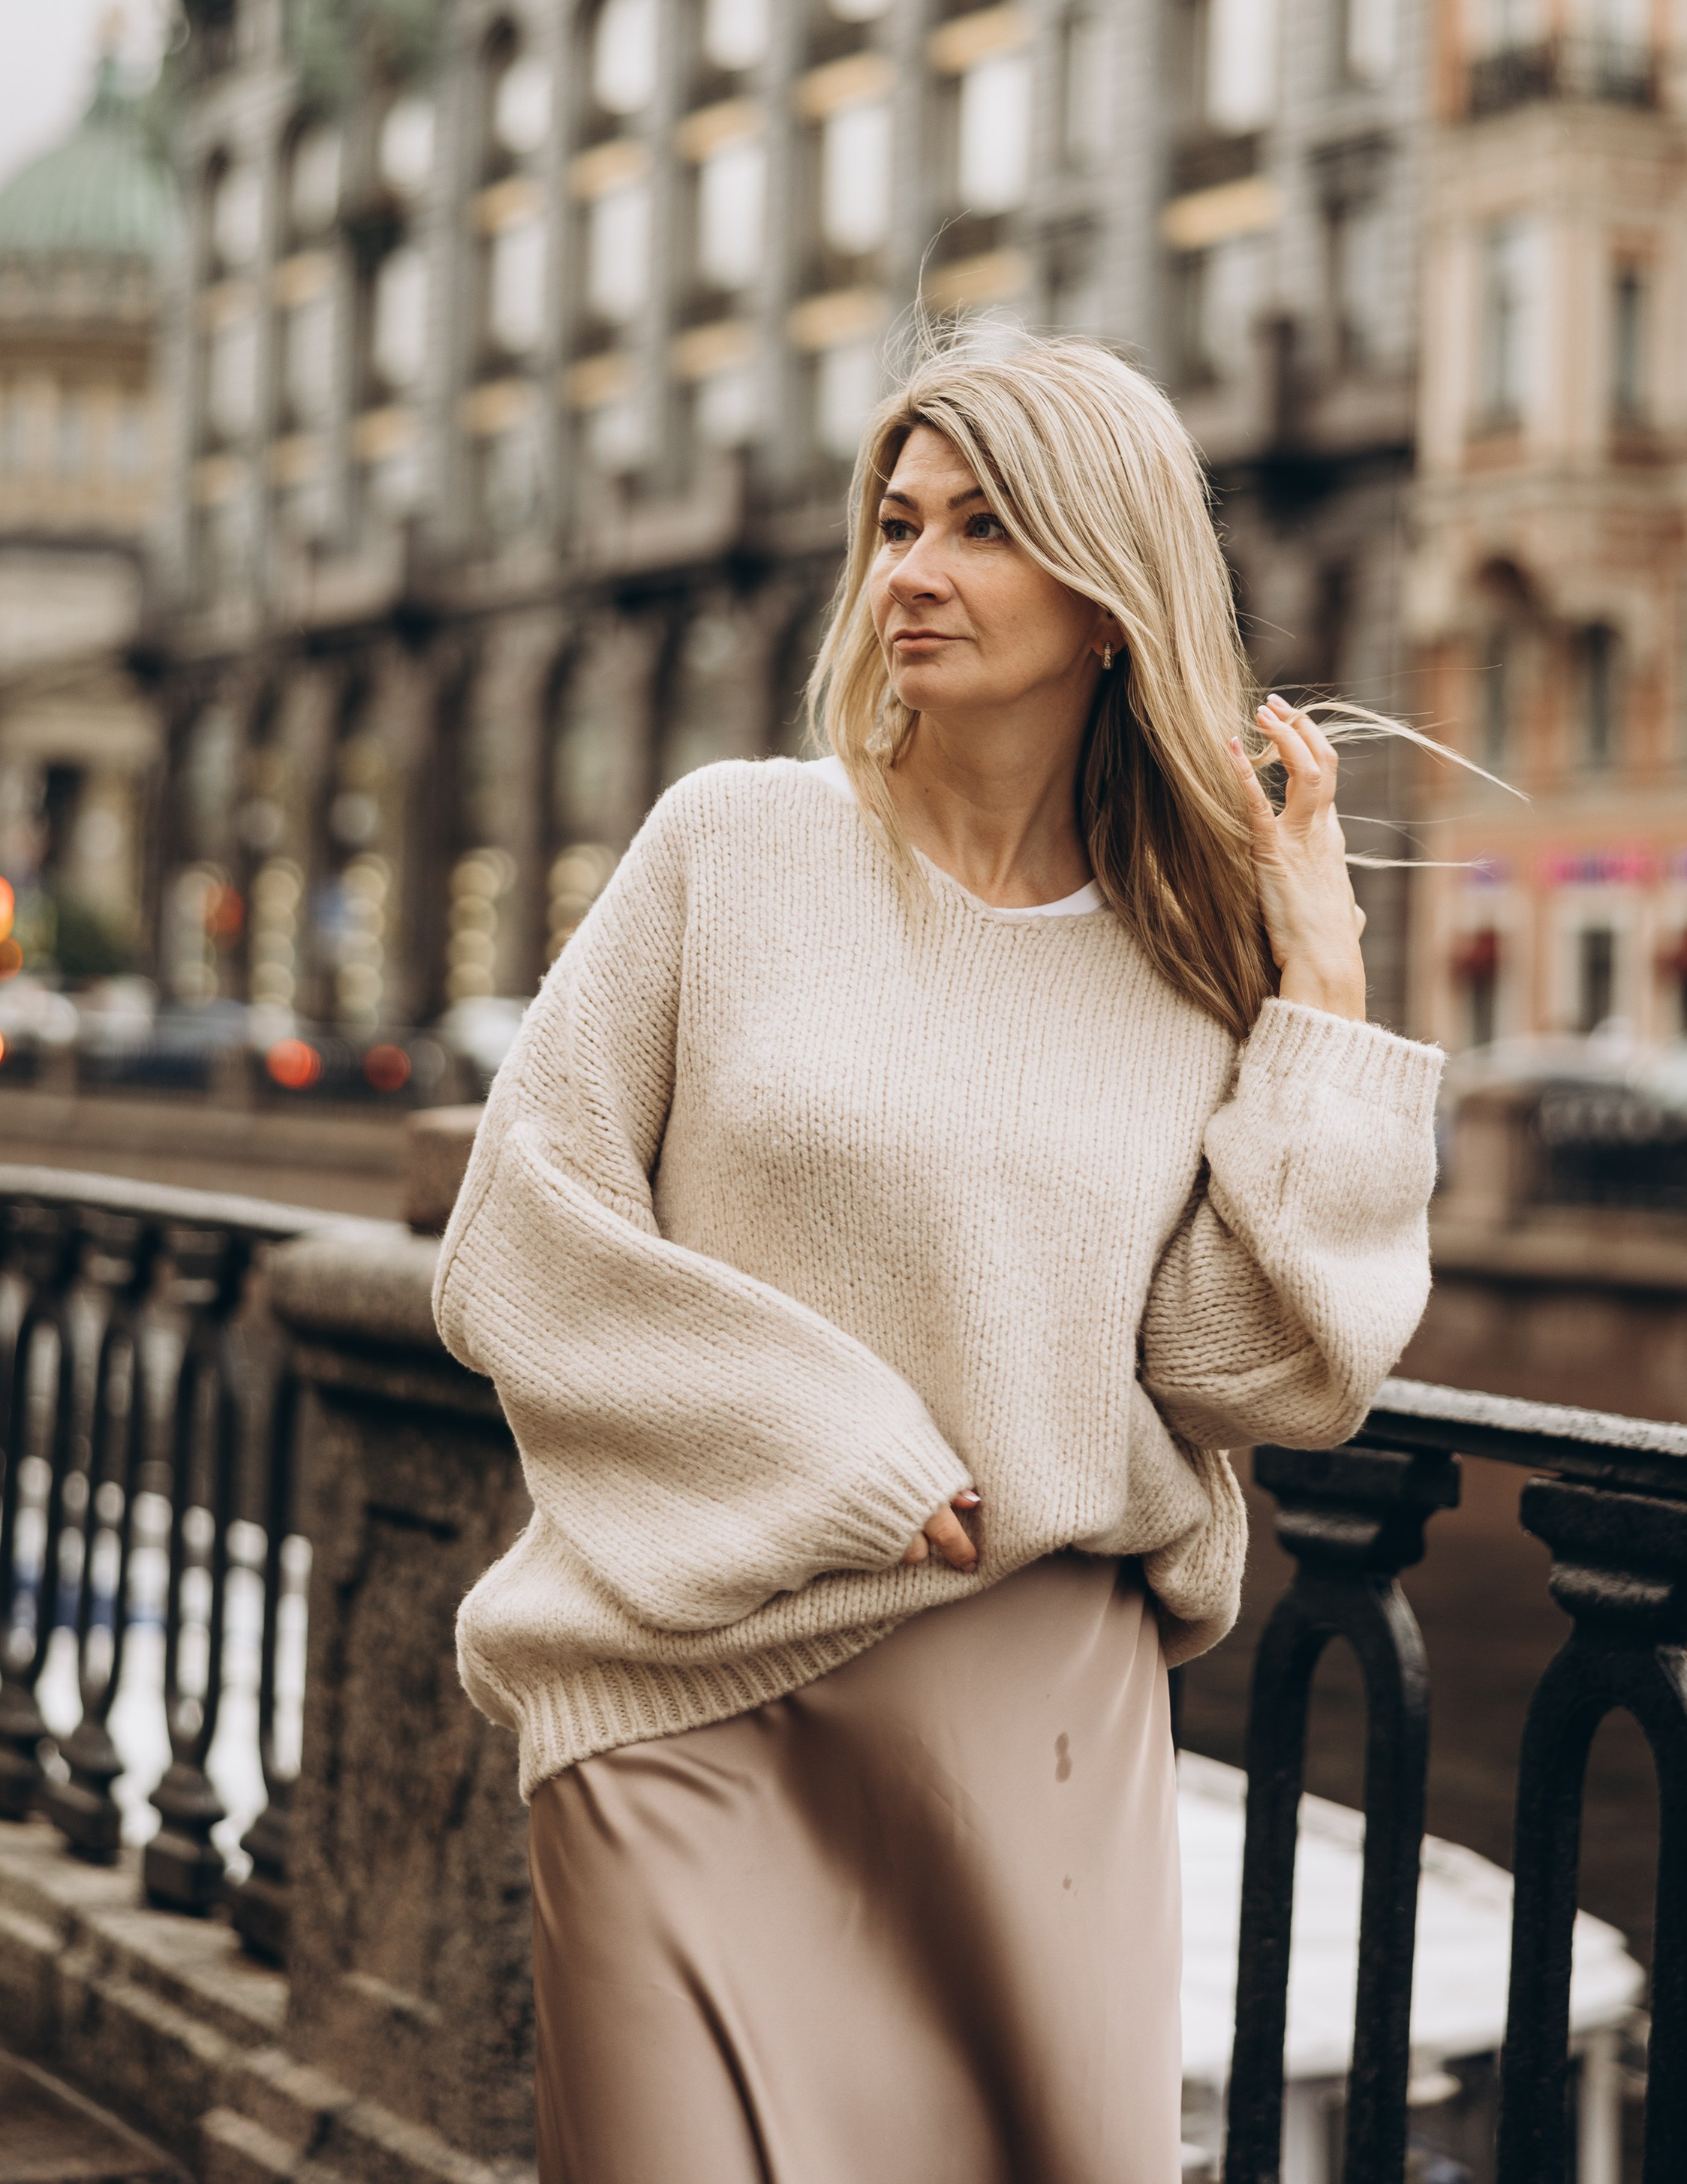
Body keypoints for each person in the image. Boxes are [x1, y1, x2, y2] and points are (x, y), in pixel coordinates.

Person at [433, 330, 1441, 2184]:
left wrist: (1321, 993)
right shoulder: (728, 845)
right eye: (895, 522)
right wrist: (835, 1449)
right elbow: (527, 1234)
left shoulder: (1180, 964)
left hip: (1030, 1726)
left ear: (1109, 594)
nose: (910, 571)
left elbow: (1254, 1375)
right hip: (676, 1676)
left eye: (981, 528)